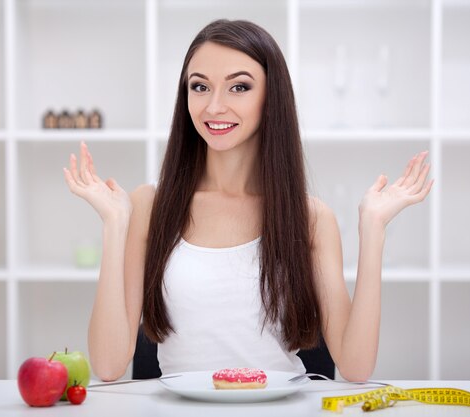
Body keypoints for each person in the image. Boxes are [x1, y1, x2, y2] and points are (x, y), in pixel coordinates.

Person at [63, 19, 433, 382]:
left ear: (271, 97)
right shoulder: (149, 206)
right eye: (200, 87)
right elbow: (109, 366)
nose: (214, 106)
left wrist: (373, 229)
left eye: (239, 87)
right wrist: (114, 225)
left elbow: (355, 367)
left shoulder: (310, 218)